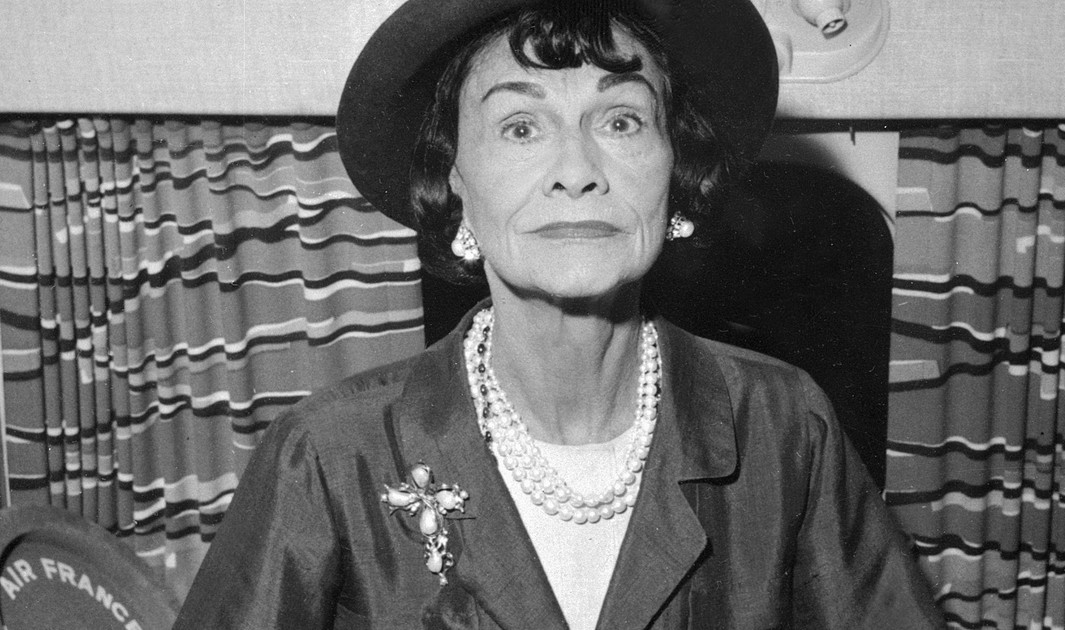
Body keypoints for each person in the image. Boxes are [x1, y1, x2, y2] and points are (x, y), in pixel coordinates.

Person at [175, 1, 944, 628]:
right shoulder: (326, 454)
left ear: (675, 172)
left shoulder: (784, 426)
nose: (577, 171)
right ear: (455, 182)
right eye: (521, 126)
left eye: (620, 122)